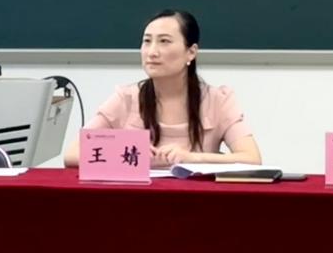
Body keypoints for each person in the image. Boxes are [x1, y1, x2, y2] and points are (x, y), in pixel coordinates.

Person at [63, 9, 261, 169]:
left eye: (164, 41)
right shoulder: (126, 98)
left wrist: (192, 158)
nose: (152, 52)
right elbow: (72, 155)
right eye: (147, 41)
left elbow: (252, 159)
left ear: (191, 52)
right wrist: (133, 155)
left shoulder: (218, 100)